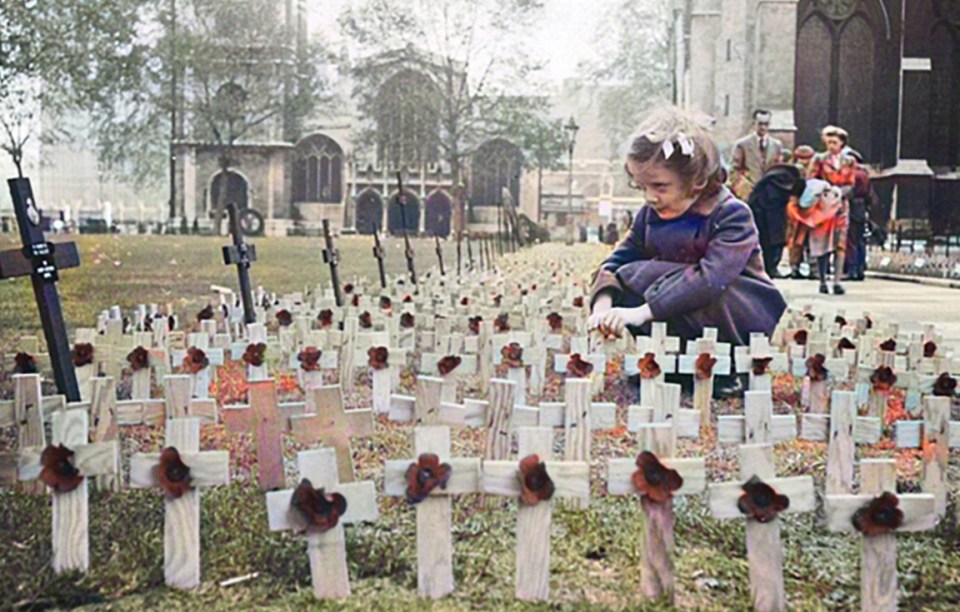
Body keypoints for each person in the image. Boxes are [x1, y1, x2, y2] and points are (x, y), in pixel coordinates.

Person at [588, 106, 787, 350]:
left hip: (735, 315)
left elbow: (711, 279)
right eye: (642, 187)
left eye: (660, 186)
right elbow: (616, 262)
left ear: (697, 182)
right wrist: (603, 306)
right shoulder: (650, 215)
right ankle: (664, 357)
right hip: (677, 310)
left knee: (712, 290)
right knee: (630, 274)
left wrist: (642, 312)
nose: (650, 197)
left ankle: (725, 368)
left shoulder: (731, 215)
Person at [787, 179, 847, 294]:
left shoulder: (807, 196)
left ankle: (829, 281)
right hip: (830, 209)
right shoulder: (813, 185)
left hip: (826, 211)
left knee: (829, 247)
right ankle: (832, 282)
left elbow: (803, 205)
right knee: (831, 247)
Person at [747, 164, 803, 278]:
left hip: (761, 214)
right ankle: (771, 268)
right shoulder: (787, 183)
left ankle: (767, 268)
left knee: (765, 241)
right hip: (773, 215)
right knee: (775, 241)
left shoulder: (767, 183)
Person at [729, 109, 784, 201]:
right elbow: (734, 170)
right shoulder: (742, 145)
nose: (763, 127)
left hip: (769, 194)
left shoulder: (776, 145)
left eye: (766, 124)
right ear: (754, 123)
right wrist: (742, 188)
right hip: (748, 193)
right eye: (760, 124)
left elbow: (779, 169)